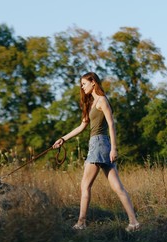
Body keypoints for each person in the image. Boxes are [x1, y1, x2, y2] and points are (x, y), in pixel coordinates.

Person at [52, 72, 140, 232]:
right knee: (117, 187)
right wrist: (62, 139)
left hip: (100, 144)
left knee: (85, 185)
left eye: (84, 83)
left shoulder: (102, 100)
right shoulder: (92, 104)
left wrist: (114, 148)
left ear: (93, 82)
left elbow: (111, 124)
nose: (82, 86)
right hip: (99, 145)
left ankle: (81, 223)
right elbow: (81, 127)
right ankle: (134, 223)